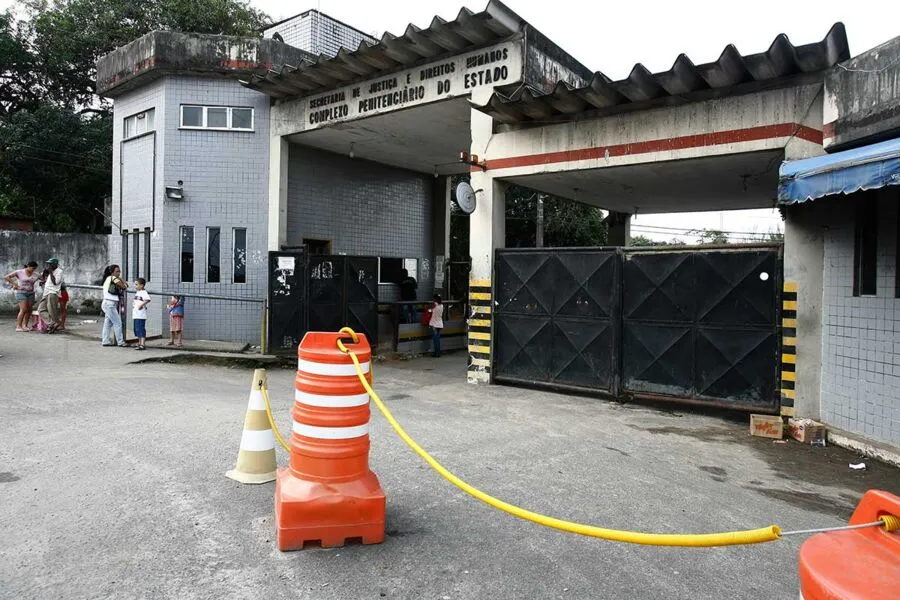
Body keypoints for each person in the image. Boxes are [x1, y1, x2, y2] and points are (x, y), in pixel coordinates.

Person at [4, 261, 40, 332]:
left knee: (29, 310)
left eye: (35, 268)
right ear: (28, 266)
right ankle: (18, 326)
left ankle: (25, 325)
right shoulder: (19, 272)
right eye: (33, 268)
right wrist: (15, 284)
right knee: (23, 309)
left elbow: (43, 279)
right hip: (21, 293)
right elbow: (7, 277)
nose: (34, 270)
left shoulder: (36, 274)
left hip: (31, 293)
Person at [101, 264, 127, 347]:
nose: (119, 273)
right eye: (117, 271)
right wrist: (122, 280)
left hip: (108, 303)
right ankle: (120, 342)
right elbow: (124, 286)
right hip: (110, 304)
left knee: (108, 323)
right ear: (112, 272)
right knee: (118, 322)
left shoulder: (108, 278)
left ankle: (105, 341)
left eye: (119, 271)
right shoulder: (113, 278)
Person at [37, 258, 64, 334]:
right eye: (48, 264)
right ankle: (52, 323)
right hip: (46, 292)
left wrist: (51, 273)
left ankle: (55, 323)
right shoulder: (50, 271)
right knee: (40, 309)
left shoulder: (59, 271)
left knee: (52, 310)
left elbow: (55, 282)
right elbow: (46, 279)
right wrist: (44, 279)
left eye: (51, 264)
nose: (49, 265)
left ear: (55, 264)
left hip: (53, 293)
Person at [132, 278, 150, 350]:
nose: (135, 286)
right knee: (137, 329)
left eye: (137, 284)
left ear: (142, 285)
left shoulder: (143, 292)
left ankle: (142, 344)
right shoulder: (138, 292)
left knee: (141, 328)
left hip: (141, 315)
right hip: (136, 314)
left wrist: (141, 305)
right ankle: (139, 343)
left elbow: (148, 299)